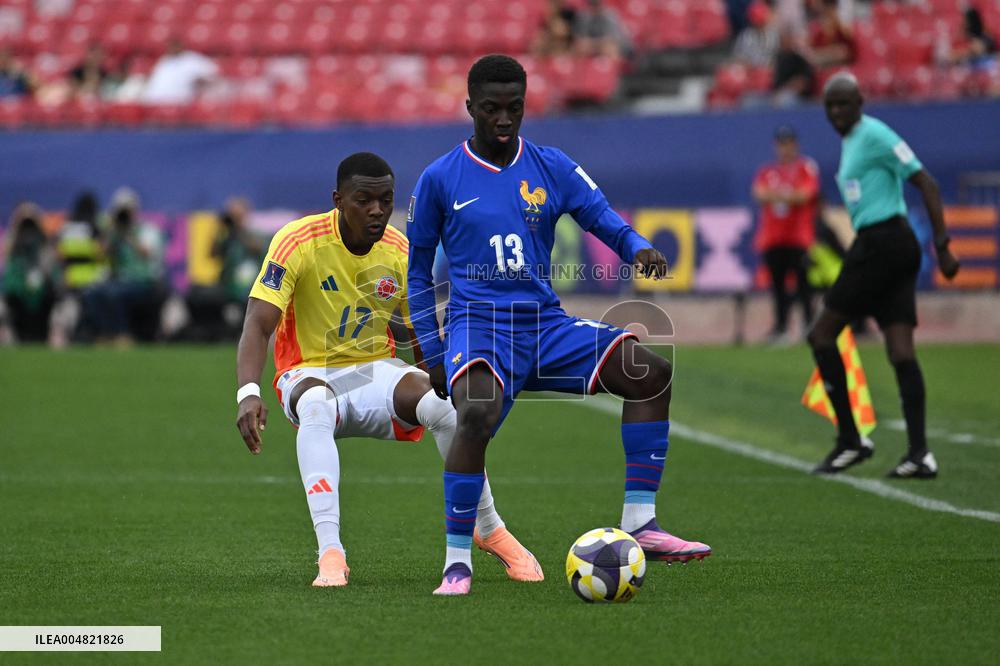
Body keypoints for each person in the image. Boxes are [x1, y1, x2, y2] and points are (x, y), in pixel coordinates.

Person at [407, 55, 711, 596]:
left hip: (545, 325)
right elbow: (416, 273)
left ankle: (642, 522)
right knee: (474, 414)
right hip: (479, 327)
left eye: (515, 108)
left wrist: (636, 246)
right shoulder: (439, 179)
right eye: (493, 109)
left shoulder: (551, 166)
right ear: (470, 107)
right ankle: (458, 562)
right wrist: (430, 350)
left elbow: (601, 216)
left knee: (651, 373)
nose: (504, 119)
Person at [235, 152, 541, 588]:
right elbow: (258, 321)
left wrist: (448, 380)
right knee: (317, 405)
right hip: (307, 373)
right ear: (338, 200)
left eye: (386, 199)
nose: (377, 210)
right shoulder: (297, 240)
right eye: (365, 200)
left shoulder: (400, 250)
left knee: (449, 410)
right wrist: (248, 391)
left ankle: (489, 528)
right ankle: (330, 552)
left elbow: (419, 332)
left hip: (371, 371)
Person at [808, 73, 960, 478]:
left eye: (844, 103)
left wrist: (942, 246)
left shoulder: (874, 133)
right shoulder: (855, 140)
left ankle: (850, 440)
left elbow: (926, 182)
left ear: (861, 101)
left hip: (882, 242)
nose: (837, 112)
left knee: (821, 335)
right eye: (831, 105)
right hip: (891, 245)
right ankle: (920, 454)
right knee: (901, 351)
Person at [752, 124, 819, 343]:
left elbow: (805, 195)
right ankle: (781, 328)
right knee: (778, 285)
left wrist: (777, 196)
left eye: (788, 143)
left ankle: (809, 326)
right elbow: (759, 194)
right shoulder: (767, 171)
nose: (785, 148)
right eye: (781, 144)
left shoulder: (805, 168)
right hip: (773, 237)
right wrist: (787, 195)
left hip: (798, 236)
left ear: (795, 144)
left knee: (803, 283)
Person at [2, 203, 57, 342]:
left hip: (45, 305)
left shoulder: (46, 250)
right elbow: (6, 283)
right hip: (14, 304)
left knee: (62, 312)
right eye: (24, 226)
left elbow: (56, 282)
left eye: (31, 226)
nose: (28, 232)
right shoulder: (9, 249)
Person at [142, 38, 218, 105]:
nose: (172, 49)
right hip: (155, 103)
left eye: (174, 46)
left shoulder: (193, 60)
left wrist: (200, 82)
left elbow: (213, 76)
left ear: (181, 46)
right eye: (170, 46)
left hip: (180, 105)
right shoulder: (164, 61)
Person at [807, 0, 856, 68]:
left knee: (841, 52)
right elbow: (812, 50)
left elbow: (849, 49)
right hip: (822, 59)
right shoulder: (816, 26)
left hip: (840, 60)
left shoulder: (841, 24)